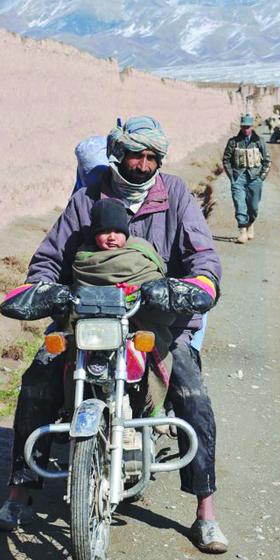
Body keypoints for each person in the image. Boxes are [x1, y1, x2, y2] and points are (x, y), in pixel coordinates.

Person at [0, 116, 228, 553]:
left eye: (151, 157)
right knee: (38, 380)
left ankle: (205, 510)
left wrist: (191, 288)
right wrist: (44, 287)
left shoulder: (176, 194)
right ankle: (18, 493)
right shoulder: (88, 197)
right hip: (85, 320)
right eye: (134, 155)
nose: (142, 164)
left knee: (192, 393)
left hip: (156, 322)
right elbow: (50, 256)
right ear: (117, 155)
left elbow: (204, 258)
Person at [73, 197, 174, 418]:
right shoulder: (84, 259)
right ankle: (42, 440)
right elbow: (78, 290)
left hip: (137, 320)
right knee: (47, 373)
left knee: (189, 385)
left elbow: (155, 281)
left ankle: (159, 413)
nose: (111, 237)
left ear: (126, 233)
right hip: (93, 327)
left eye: (117, 231)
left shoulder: (139, 253)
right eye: (104, 231)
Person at [222, 114, 271, 244]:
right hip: (238, 177)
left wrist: (261, 177)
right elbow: (226, 160)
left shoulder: (259, 141)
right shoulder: (233, 142)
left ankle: (251, 223)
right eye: (243, 127)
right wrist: (232, 177)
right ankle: (242, 231)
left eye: (248, 127)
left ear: (252, 127)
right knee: (239, 204)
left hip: (255, 178)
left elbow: (267, 160)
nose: (245, 129)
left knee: (253, 207)